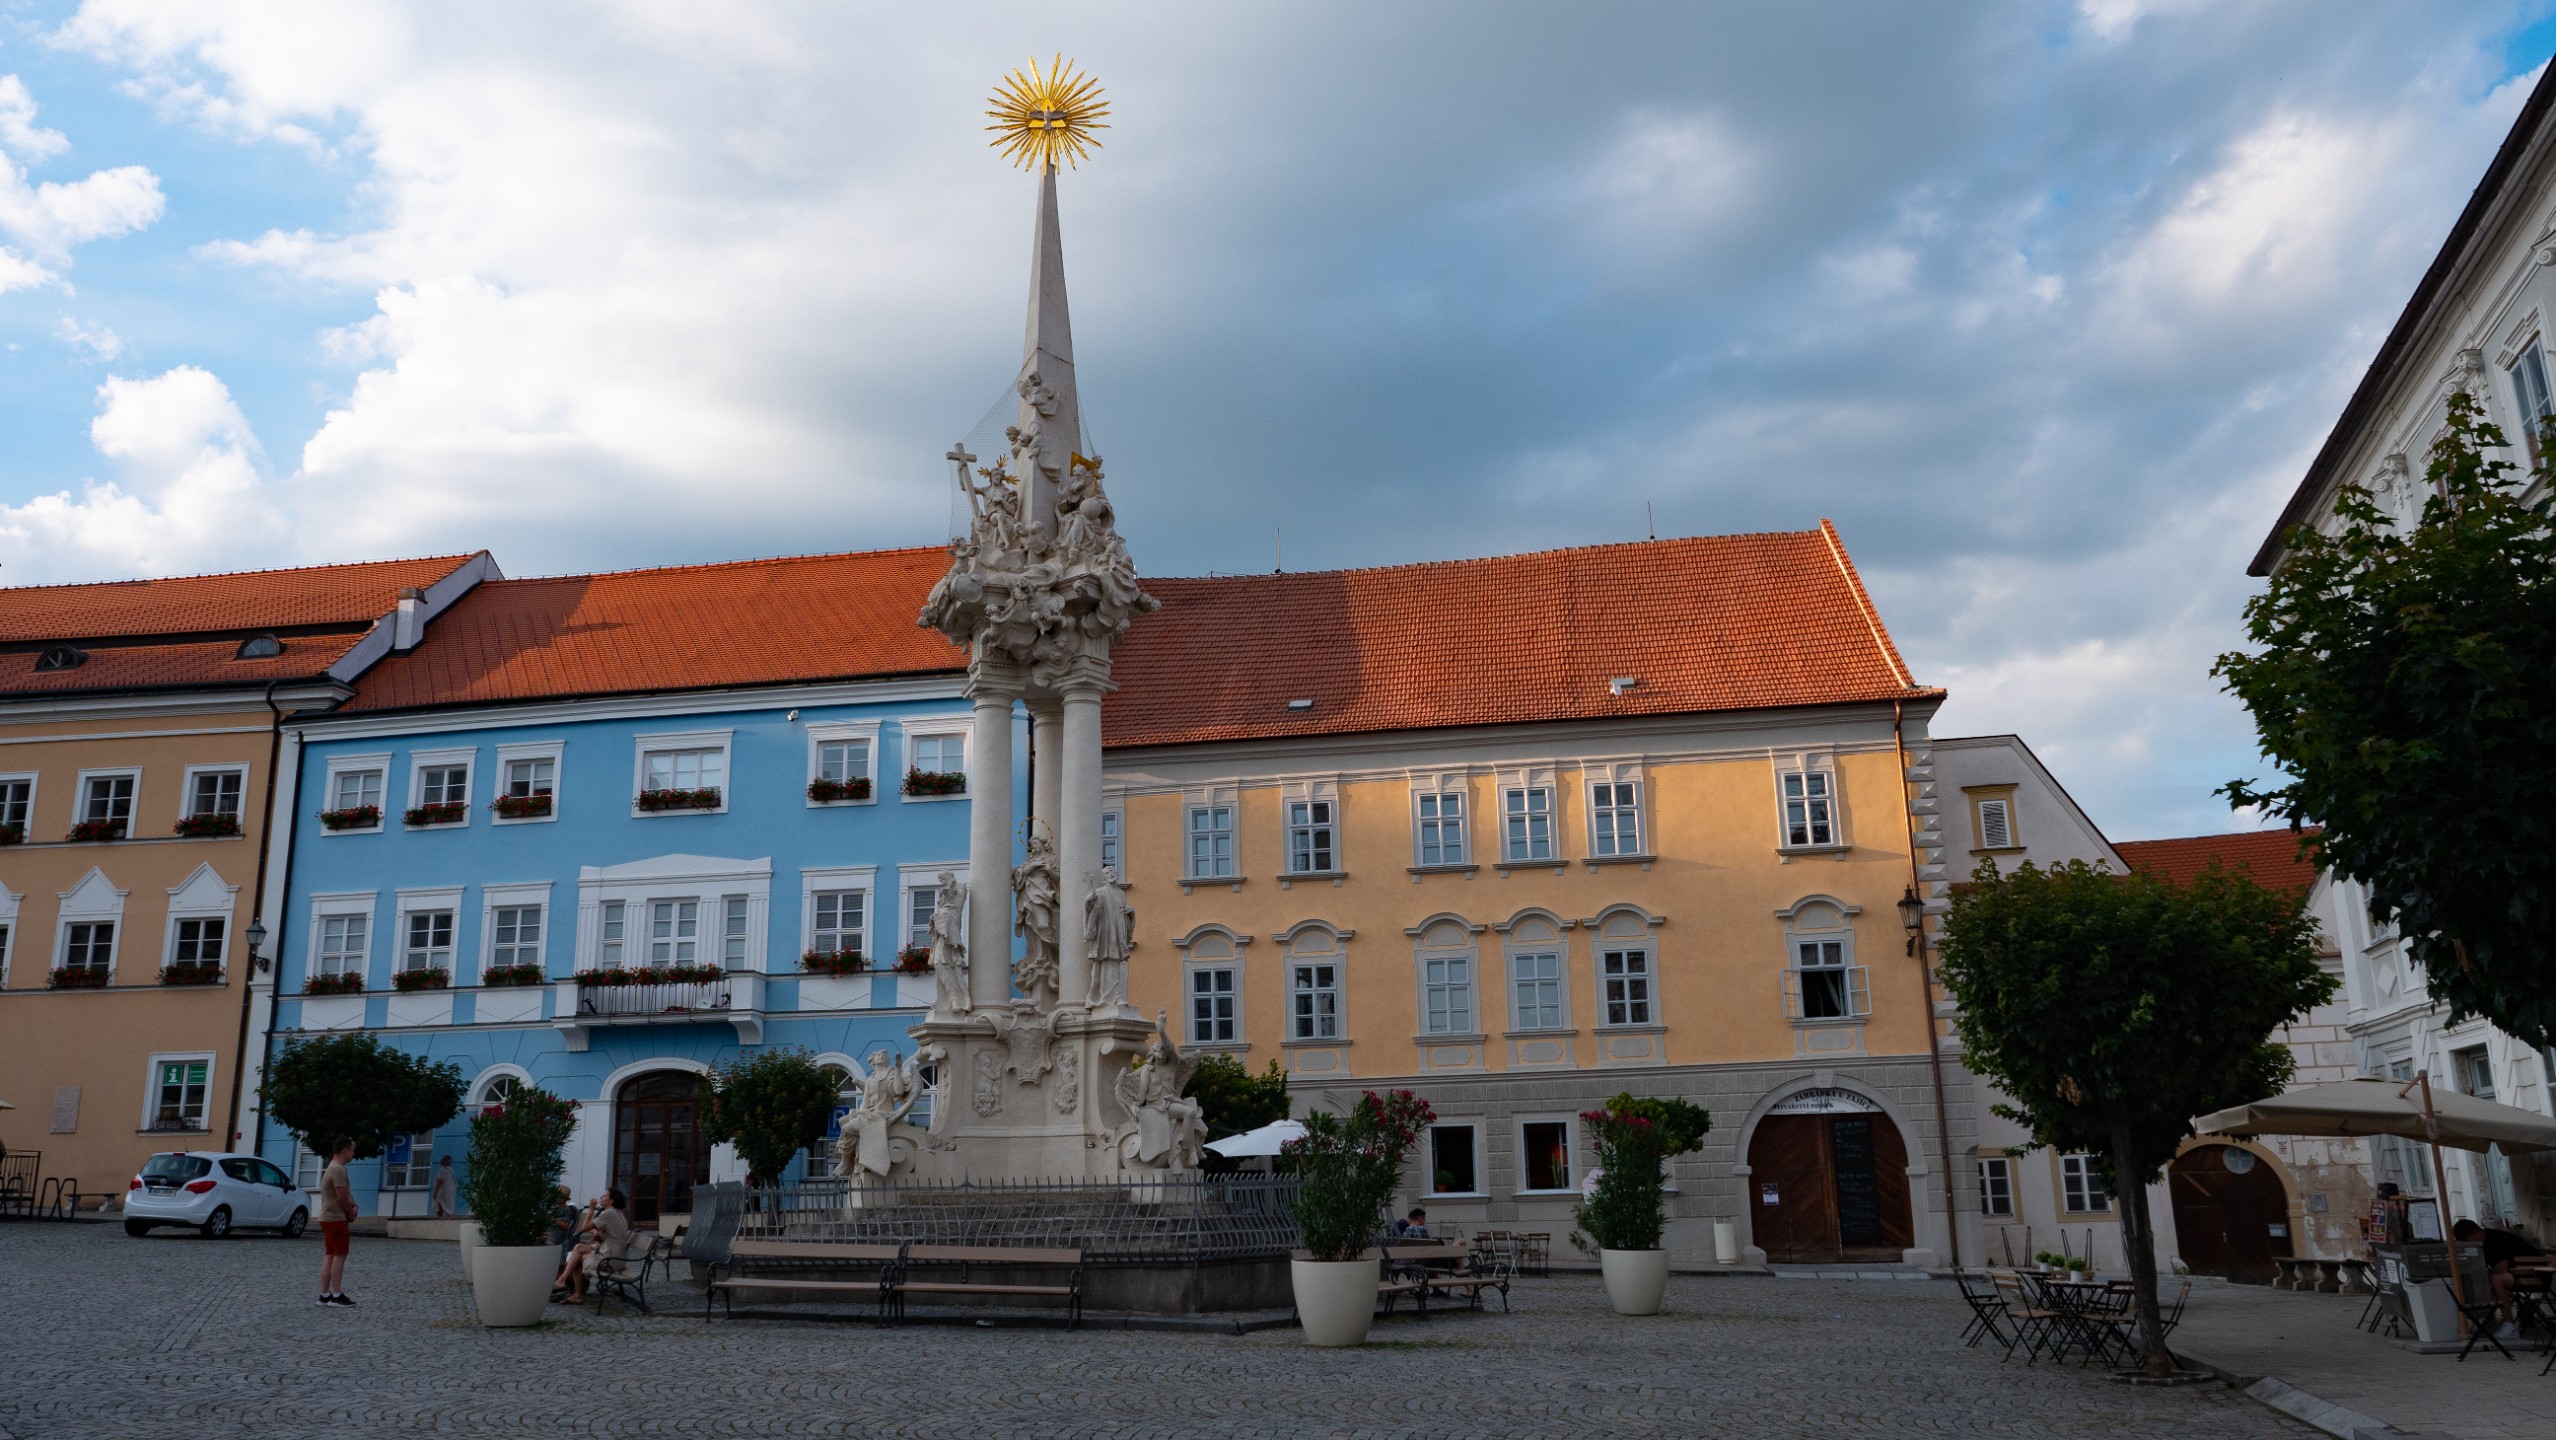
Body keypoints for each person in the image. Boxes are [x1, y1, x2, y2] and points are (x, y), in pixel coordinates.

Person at [2451, 1218, 2544, 1337]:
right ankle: (2489, 1320)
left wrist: (2485, 1274)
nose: (2470, 1244)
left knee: (2496, 1279)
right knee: (2484, 1279)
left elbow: (2501, 1269)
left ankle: (2509, 1325)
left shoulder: (2496, 1240)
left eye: (2469, 1241)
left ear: (2475, 1233)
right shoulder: (2486, 1241)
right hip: (2518, 1274)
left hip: (2535, 1275)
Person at [553, 1188, 633, 1306]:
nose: (600, 1198)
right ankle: (565, 1283)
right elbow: (612, 1237)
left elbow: (584, 1228)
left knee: (578, 1257)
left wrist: (591, 1210)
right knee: (579, 1247)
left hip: (610, 1260)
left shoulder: (608, 1213)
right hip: (617, 1257)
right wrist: (598, 1234)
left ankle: (571, 1288)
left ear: (611, 1201)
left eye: (604, 1196)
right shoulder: (618, 1214)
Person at [316, 1137, 358, 1308]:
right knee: (340, 1256)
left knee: (330, 1255)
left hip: (328, 1217)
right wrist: (350, 1212)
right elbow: (341, 1197)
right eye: (352, 1150)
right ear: (345, 1150)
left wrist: (353, 1205)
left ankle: (324, 1295)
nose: (353, 1154)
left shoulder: (332, 1167)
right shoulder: (338, 1169)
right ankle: (337, 1295)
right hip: (336, 1218)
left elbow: (345, 1193)